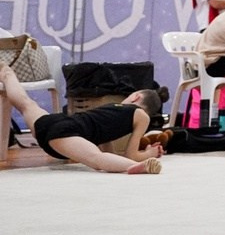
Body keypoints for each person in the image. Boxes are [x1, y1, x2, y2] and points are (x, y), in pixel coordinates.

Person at [1, 63, 163, 174]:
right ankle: (137, 168)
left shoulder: (111, 109)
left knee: (26, 104)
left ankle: (7, 73)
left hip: (51, 123)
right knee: (96, 160)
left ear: (135, 97)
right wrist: (150, 153)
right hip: (64, 135)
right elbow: (130, 154)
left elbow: (104, 140)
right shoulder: (142, 115)